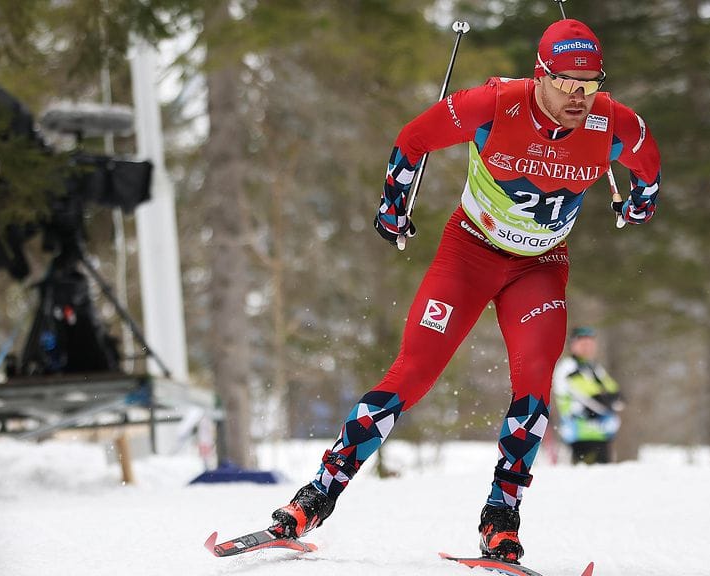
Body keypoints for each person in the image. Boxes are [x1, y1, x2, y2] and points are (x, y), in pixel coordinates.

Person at [267, 18, 661, 564]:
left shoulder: (613, 123)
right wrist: (392, 206)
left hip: (539, 268)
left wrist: (639, 202)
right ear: (540, 74)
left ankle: (501, 520)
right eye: (567, 82)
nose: (580, 95)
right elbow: (414, 139)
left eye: (590, 83)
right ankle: (313, 500)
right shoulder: (494, 105)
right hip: (469, 254)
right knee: (412, 374)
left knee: (534, 389)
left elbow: (649, 166)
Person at [553, 326, 624, 465]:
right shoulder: (568, 368)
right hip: (580, 435)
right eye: (583, 343)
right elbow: (594, 399)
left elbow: (618, 397)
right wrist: (607, 401)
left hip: (601, 434)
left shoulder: (594, 368)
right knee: (585, 479)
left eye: (590, 343)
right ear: (573, 345)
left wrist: (610, 400)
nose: (587, 347)